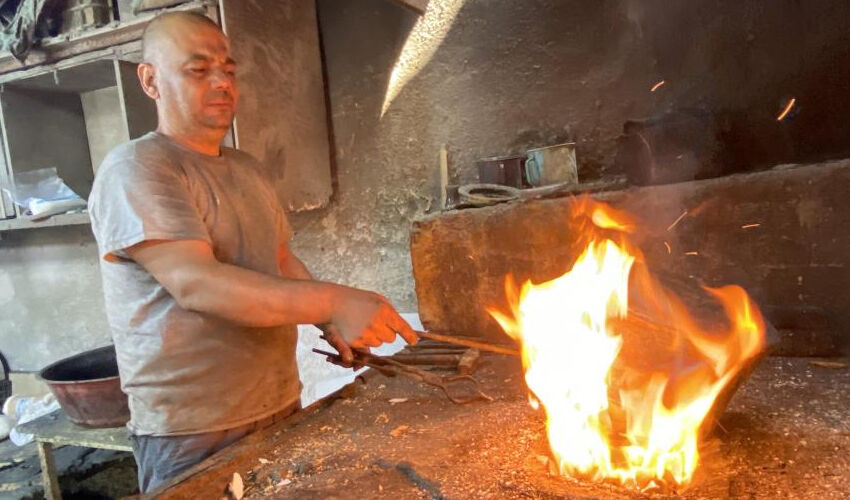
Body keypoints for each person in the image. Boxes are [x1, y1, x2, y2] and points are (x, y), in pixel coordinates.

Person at [87, 11, 416, 493]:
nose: (221, 81)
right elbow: (197, 284)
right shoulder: (138, 168)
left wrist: (330, 323)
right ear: (150, 80)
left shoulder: (246, 168)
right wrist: (334, 301)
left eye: (228, 68)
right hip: (191, 431)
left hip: (279, 404)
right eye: (198, 70)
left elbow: (279, 263)